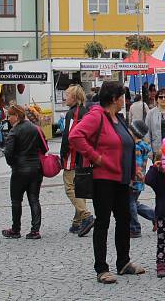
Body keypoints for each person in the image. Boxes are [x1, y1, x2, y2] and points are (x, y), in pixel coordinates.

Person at [70, 81, 145, 284]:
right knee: (103, 222)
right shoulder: (96, 116)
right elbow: (75, 136)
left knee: (124, 220)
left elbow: (126, 144)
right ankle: (101, 268)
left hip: (121, 178)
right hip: (103, 179)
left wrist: (134, 170)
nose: (125, 100)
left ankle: (123, 262)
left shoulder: (118, 118)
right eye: (122, 96)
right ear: (114, 98)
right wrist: (95, 157)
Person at [2, 104, 48, 240]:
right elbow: (44, 148)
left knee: (16, 201)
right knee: (34, 199)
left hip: (20, 170)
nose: (8, 118)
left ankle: (15, 230)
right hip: (36, 168)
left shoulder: (14, 131)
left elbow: (8, 153)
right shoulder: (35, 128)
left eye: (9, 116)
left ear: (16, 116)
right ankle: (35, 230)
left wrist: (13, 164)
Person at [60, 84, 94, 236]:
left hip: (73, 156)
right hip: (85, 156)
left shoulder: (72, 113)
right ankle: (77, 222)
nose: (65, 98)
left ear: (74, 97)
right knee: (80, 187)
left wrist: (62, 154)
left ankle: (85, 216)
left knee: (70, 188)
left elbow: (69, 136)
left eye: (67, 95)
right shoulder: (87, 111)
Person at [128, 119, 155, 238]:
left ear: (134, 133)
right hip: (138, 182)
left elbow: (137, 166)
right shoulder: (143, 146)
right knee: (134, 203)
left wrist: (132, 178)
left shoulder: (137, 148)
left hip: (134, 181)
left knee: (130, 204)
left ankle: (135, 228)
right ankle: (155, 216)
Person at [144, 87, 165, 158]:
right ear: (157, 99)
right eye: (160, 97)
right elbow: (147, 133)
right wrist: (149, 151)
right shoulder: (151, 113)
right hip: (156, 150)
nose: (163, 99)